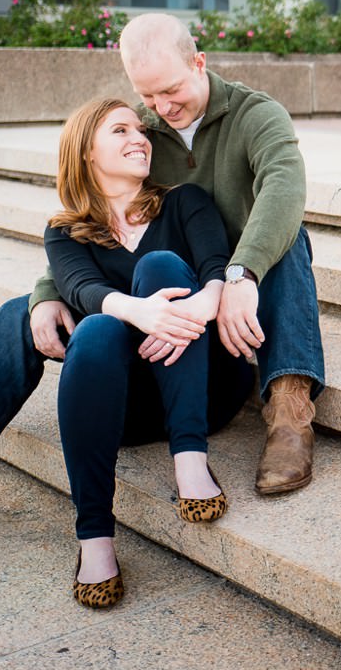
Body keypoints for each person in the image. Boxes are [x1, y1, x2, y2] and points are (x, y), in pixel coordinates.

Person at [0, 12, 326, 541]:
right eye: (147, 98)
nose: (161, 110)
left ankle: (289, 411)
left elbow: (285, 189)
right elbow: (90, 228)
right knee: (21, 313)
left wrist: (239, 275)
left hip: (233, 292)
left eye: (172, 91)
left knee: (289, 237)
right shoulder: (146, 133)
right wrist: (44, 295)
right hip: (158, 317)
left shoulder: (255, 115)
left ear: (199, 63)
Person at [46, 98, 244, 606]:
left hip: (205, 387)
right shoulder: (65, 231)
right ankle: (94, 537)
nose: (140, 137)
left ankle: (190, 461)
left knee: (159, 264)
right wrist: (140, 313)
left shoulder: (184, 201)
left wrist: (199, 305)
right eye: (120, 130)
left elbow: (217, 263)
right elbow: (81, 287)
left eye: (141, 130)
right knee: (94, 330)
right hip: (126, 410)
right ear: (86, 152)